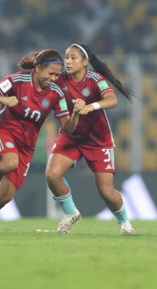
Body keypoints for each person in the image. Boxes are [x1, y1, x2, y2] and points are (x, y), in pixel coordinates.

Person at [0, 49, 83, 236]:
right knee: (9, 162)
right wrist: (3, 99)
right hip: (4, 130)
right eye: (50, 73)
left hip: (26, 146)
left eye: (57, 75)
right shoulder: (17, 80)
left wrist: (76, 114)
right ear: (38, 68)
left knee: (5, 196)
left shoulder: (56, 94)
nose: (54, 78)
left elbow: (68, 128)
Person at [45, 43, 136, 235]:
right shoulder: (60, 80)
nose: (68, 61)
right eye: (66, 57)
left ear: (85, 62)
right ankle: (71, 214)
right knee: (52, 175)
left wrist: (91, 106)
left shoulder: (95, 79)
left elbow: (112, 100)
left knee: (107, 193)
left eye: (73, 58)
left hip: (98, 140)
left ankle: (125, 223)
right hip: (71, 136)